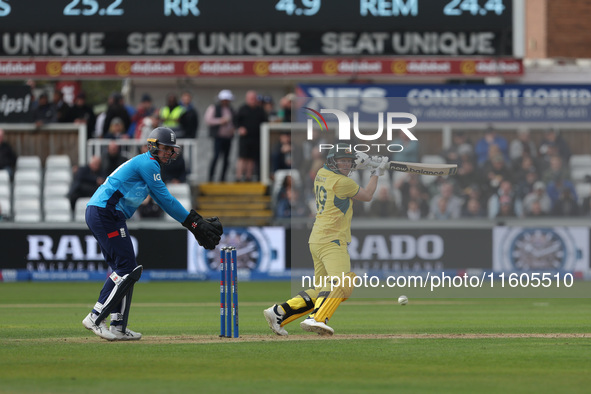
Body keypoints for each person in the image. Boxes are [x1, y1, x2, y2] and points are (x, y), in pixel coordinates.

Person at [82, 127, 223, 341]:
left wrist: (192, 223)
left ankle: (118, 326)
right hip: (105, 212)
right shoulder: (148, 163)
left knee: (126, 269)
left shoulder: (149, 164)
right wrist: (193, 223)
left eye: (171, 149)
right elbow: (165, 199)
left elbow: (162, 199)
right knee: (127, 268)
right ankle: (95, 317)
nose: (169, 152)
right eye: (165, 148)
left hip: (108, 214)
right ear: (153, 146)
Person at [263, 143, 388, 336]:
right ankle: (317, 318)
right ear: (332, 161)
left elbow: (345, 168)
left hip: (317, 239)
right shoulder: (342, 183)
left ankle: (280, 312)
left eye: (349, 162)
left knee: (322, 290)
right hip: (332, 240)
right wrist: (376, 172)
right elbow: (368, 195)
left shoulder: (322, 173)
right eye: (342, 161)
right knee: (342, 284)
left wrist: (365, 163)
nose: (346, 166)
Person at [236, 90, 268, 182]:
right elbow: (236, 121)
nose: (252, 100)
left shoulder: (260, 110)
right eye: (251, 98)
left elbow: (265, 122)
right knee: (242, 157)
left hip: (256, 138)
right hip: (244, 138)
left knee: (251, 158)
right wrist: (240, 128)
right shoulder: (242, 109)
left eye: (254, 98)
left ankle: (248, 177)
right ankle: (238, 177)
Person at [206, 90, 236, 182]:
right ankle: (211, 177)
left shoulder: (231, 110)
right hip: (218, 137)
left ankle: (223, 178)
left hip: (228, 137)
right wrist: (220, 121)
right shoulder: (214, 108)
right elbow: (208, 120)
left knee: (226, 158)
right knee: (216, 156)